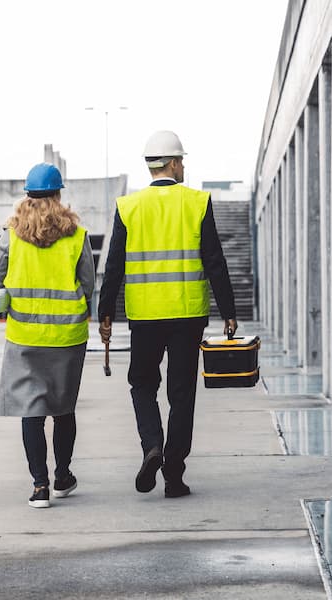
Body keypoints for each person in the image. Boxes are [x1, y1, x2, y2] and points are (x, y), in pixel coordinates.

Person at [98, 130, 237, 499]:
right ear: (173, 163)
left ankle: (151, 446)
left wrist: (106, 311)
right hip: (187, 313)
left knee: (142, 385)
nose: (184, 166)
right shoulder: (196, 202)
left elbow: (113, 266)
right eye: (182, 160)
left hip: (144, 315)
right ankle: (173, 474)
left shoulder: (129, 207)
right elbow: (215, 261)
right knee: (182, 393)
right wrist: (229, 310)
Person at [0, 163, 94, 509]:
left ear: (27, 196)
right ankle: (63, 475)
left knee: (31, 411)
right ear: (59, 194)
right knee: (63, 409)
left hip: (25, 335)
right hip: (67, 335)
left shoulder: (11, 234)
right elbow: (89, 285)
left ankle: (39, 486)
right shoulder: (77, 234)